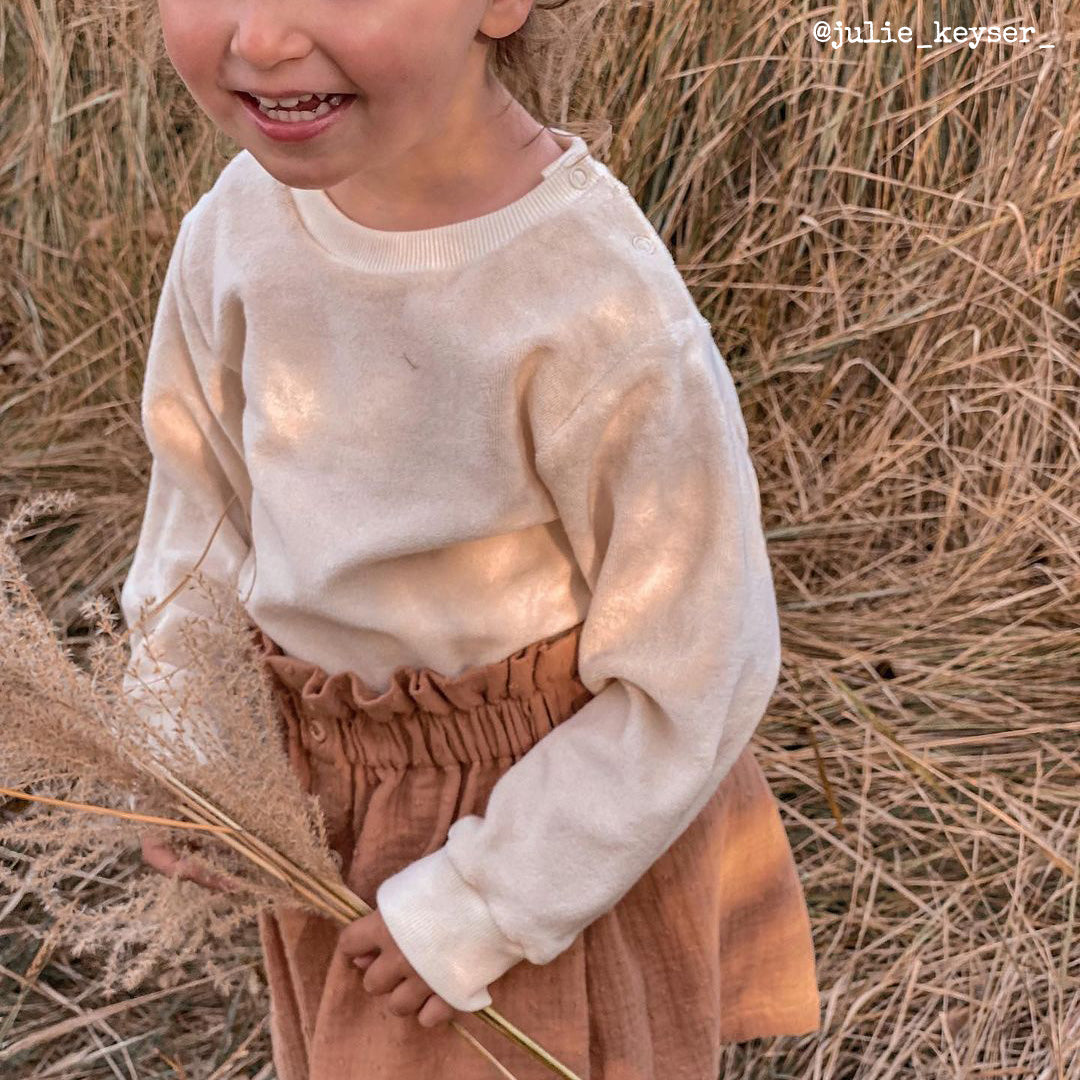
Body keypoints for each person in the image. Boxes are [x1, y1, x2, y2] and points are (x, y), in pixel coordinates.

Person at [121, 0, 821, 1076]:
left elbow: (698, 667)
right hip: (336, 805)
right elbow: (199, 507)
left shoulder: (599, 312)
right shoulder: (236, 229)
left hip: (531, 840)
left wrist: (484, 901)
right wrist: (186, 728)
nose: (259, 40)